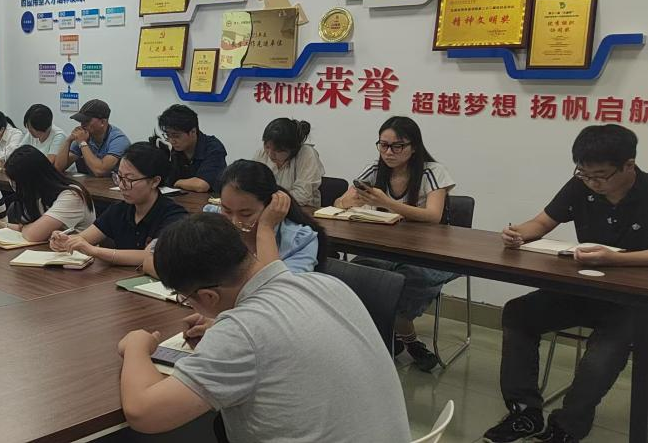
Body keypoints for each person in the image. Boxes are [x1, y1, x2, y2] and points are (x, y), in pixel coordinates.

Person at [115, 213, 410, 441]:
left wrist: (136, 347)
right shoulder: (324, 283)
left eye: (186, 298)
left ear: (208, 296)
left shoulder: (241, 332)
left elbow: (144, 413)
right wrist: (220, 327)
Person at [483, 125, 648, 443]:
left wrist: (616, 259)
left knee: (604, 352)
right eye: (584, 174)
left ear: (629, 165)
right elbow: (542, 222)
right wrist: (518, 233)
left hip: (633, 302)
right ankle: (524, 412)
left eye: (600, 176)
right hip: (583, 290)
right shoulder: (579, 186)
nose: (592, 183)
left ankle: (567, 427)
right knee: (518, 313)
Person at [334, 116, 456, 372]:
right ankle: (385, 339)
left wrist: (387, 203)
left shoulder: (432, 172)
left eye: (397, 146)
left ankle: (407, 341)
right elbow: (339, 202)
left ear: (413, 147)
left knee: (403, 284)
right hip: (384, 248)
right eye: (383, 145)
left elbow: (433, 216)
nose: (388, 152)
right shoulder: (375, 170)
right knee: (357, 276)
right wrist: (348, 202)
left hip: (428, 252)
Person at [49, 143, 187, 269]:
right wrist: (65, 241)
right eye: (119, 177)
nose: (121, 185)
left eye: (129, 179)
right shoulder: (119, 209)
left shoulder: (173, 216)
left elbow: (149, 256)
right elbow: (83, 239)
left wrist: (94, 250)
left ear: (155, 181)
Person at [204, 160, 326, 273]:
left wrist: (266, 227)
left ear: (270, 205)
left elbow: (276, 287)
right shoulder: (211, 220)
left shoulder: (299, 241)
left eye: (246, 214)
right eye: (227, 210)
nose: (234, 222)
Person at [0, 145, 94, 242]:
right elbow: (29, 229)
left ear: (30, 180)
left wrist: (27, 228)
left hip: (78, 258)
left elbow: (33, 234)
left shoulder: (72, 196)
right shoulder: (40, 194)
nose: (14, 186)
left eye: (16, 182)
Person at [253, 118, 325, 207]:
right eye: (267, 147)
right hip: (266, 208)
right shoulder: (262, 153)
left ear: (292, 149)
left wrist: (267, 198)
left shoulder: (307, 154)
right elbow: (251, 186)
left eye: (278, 150)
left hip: (301, 211)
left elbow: (301, 196)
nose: (270, 154)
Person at [154, 104, 226, 193]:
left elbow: (201, 185)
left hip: (209, 200)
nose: (171, 141)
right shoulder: (170, 148)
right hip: (179, 198)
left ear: (193, 131)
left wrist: (177, 182)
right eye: (168, 135)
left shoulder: (213, 148)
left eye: (176, 136)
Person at [55, 99, 131, 177]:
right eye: (81, 121)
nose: (82, 125)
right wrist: (68, 140)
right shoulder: (84, 136)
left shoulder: (119, 140)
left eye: (86, 121)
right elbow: (58, 168)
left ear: (102, 122)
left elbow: (100, 171)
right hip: (91, 182)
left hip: (114, 183)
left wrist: (82, 143)